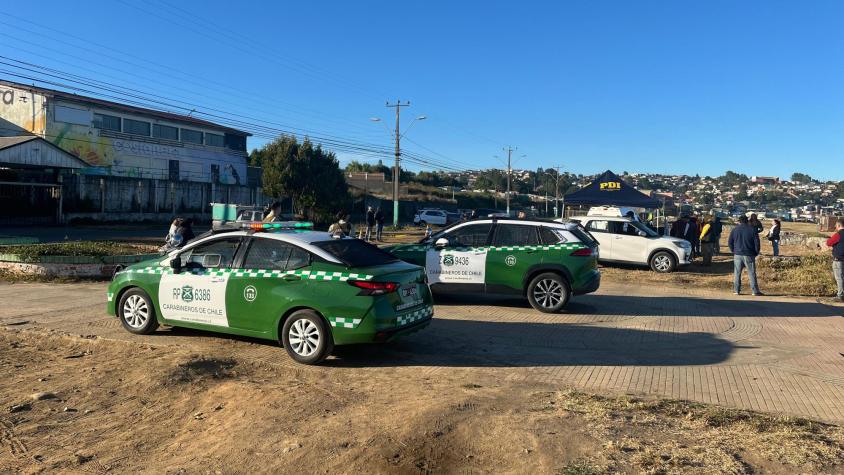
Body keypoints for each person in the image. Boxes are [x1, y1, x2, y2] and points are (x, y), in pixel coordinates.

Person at [728, 215, 762, 296]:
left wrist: (733, 250)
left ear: (739, 221)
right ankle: (754, 291)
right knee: (751, 272)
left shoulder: (735, 229)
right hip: (749, 253)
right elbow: (757, 243)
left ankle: (736, 290)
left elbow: (730, 242)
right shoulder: (752, 229)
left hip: (737, 254)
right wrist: (756, 252)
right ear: (747, 221)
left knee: (737, 273)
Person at [826, 217, 844, 302]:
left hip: (839, 259)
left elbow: (828, 243)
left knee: (839, 278)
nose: (835, 226)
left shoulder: (838, 234)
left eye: (836, 225)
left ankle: (840, 295)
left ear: (839, 225)